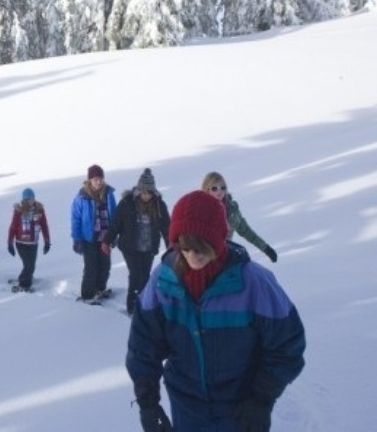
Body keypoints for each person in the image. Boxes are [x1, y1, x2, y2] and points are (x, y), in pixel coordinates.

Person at [127, 190, 305, 432]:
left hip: (240, 409)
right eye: (185, 246)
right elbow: (143, 343)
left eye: (200, 246)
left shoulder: (253, 283)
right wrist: (148, 403)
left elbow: (287, 345)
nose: (192, 255)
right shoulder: (163, 281)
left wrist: (261, 400)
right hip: (186, 407)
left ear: (218, 239)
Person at [104, 168, 170, 316]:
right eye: (143, 192)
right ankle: (132, 307)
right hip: (130, 247)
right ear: (139, 190)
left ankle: (144, 304)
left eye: (149, 192)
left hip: (148, 247)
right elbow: (116, 224)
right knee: (135, 274)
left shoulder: (159, 205)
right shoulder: (127, 202)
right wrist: (106, 241)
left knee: (145, 276)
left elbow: (166, 227)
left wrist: (171, 245)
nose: (146, 195)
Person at [202, 171, 278, 263]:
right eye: (214, 188)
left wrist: (265, 248)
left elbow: (246, 231)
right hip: (205, 258)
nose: (220, 191)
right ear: (206, 190)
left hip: (225, 255)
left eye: (223, 188)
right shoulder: (201, 210)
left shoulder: (232, 210)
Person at [70, 164, 117, 305]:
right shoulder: (81, 197)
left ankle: (99, 289)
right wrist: (76, 239)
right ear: (89, 180)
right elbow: (75, 219)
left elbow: (114, 216)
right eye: (95, 179)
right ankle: (87, 295)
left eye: (100, 178)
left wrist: (114, 235)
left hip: (105, 237)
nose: (99, 181)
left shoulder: (109, 194)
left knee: (105, 266)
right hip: (88, 238)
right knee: (91, 267)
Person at [7, 188, 51, 292]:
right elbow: (13, 227)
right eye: (28, 199)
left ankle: (24, 278)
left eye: (32, 199)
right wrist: (10, 243)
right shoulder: (19, 211)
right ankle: (24, 284)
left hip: (33, 243)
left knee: (31, 265)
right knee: (29, 265)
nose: (31, 201)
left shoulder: (39, 210)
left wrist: (47, 241)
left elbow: (44, 226)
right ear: (24, 200)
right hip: (21, 243)